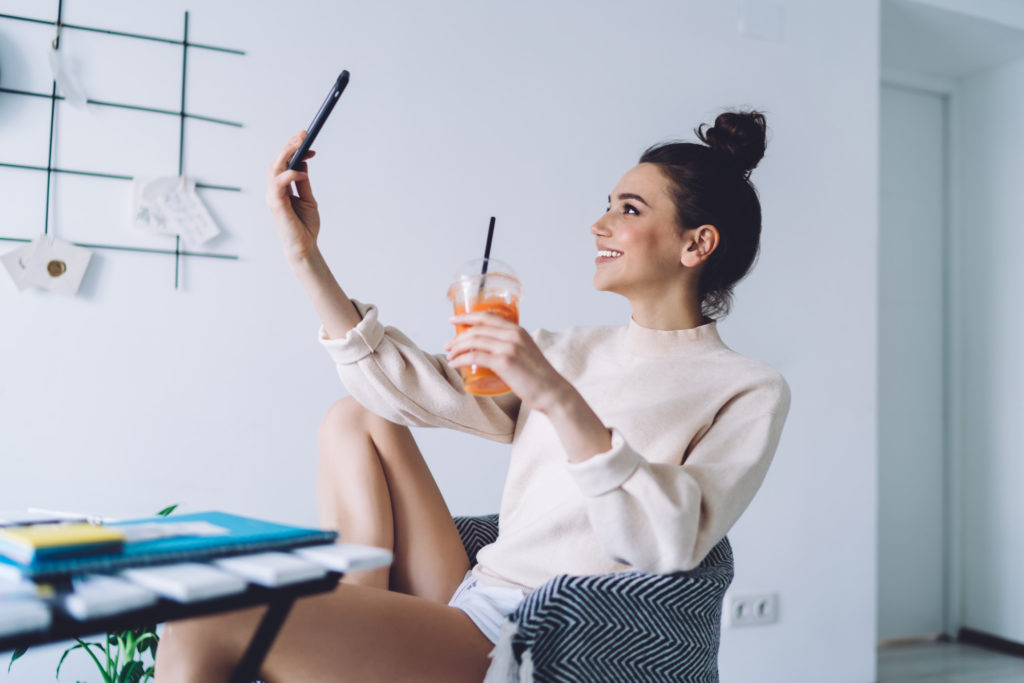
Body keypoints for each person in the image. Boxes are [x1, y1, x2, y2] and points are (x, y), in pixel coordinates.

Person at [155, 110, 790, 682]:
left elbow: (667, 543)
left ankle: (349, 626)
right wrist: (304, 255)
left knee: (204, 619)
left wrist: (552, 392)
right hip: (471, 592)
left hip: (536, 637)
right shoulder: (569, 348)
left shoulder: (745, 389)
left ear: (696, 243)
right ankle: (356, 606)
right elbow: (406, 390)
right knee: (354, 416)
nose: (598, 224)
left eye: (628, 209)